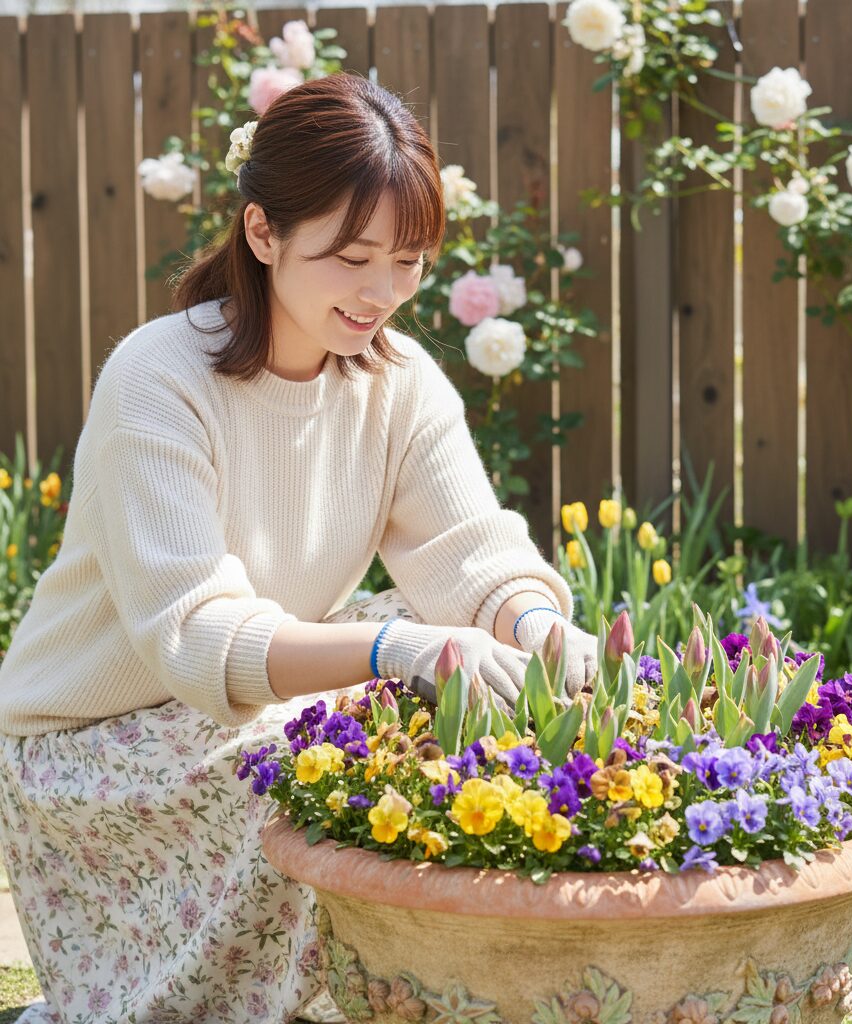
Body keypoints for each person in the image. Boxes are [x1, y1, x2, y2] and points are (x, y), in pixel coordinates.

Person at [0, 72, 598, 1023]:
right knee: (332, 739)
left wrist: (542, 632)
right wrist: (396, 651)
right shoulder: (160, 381)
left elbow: (468, 553)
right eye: (351, 257)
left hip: (239, 709)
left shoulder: (396, 380)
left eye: (409, 261)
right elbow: (199, 638)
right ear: (263, 233)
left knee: (432, 680)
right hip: (94, 747)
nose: (382, 294)